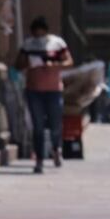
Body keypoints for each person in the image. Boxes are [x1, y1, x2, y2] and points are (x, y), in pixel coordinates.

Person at [16, 16, 73, 174]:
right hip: (34, 90)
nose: (38, 36)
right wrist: (29, 63)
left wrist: (53, 65)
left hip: (54, 90)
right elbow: (18, 64)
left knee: (55, 124)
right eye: (36, 34)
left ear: (46, 31)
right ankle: (39, 159)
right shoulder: (28, 44)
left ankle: (56, 149)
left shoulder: (57, 43)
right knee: (38, 127)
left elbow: (69, 62)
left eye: (41, 33)